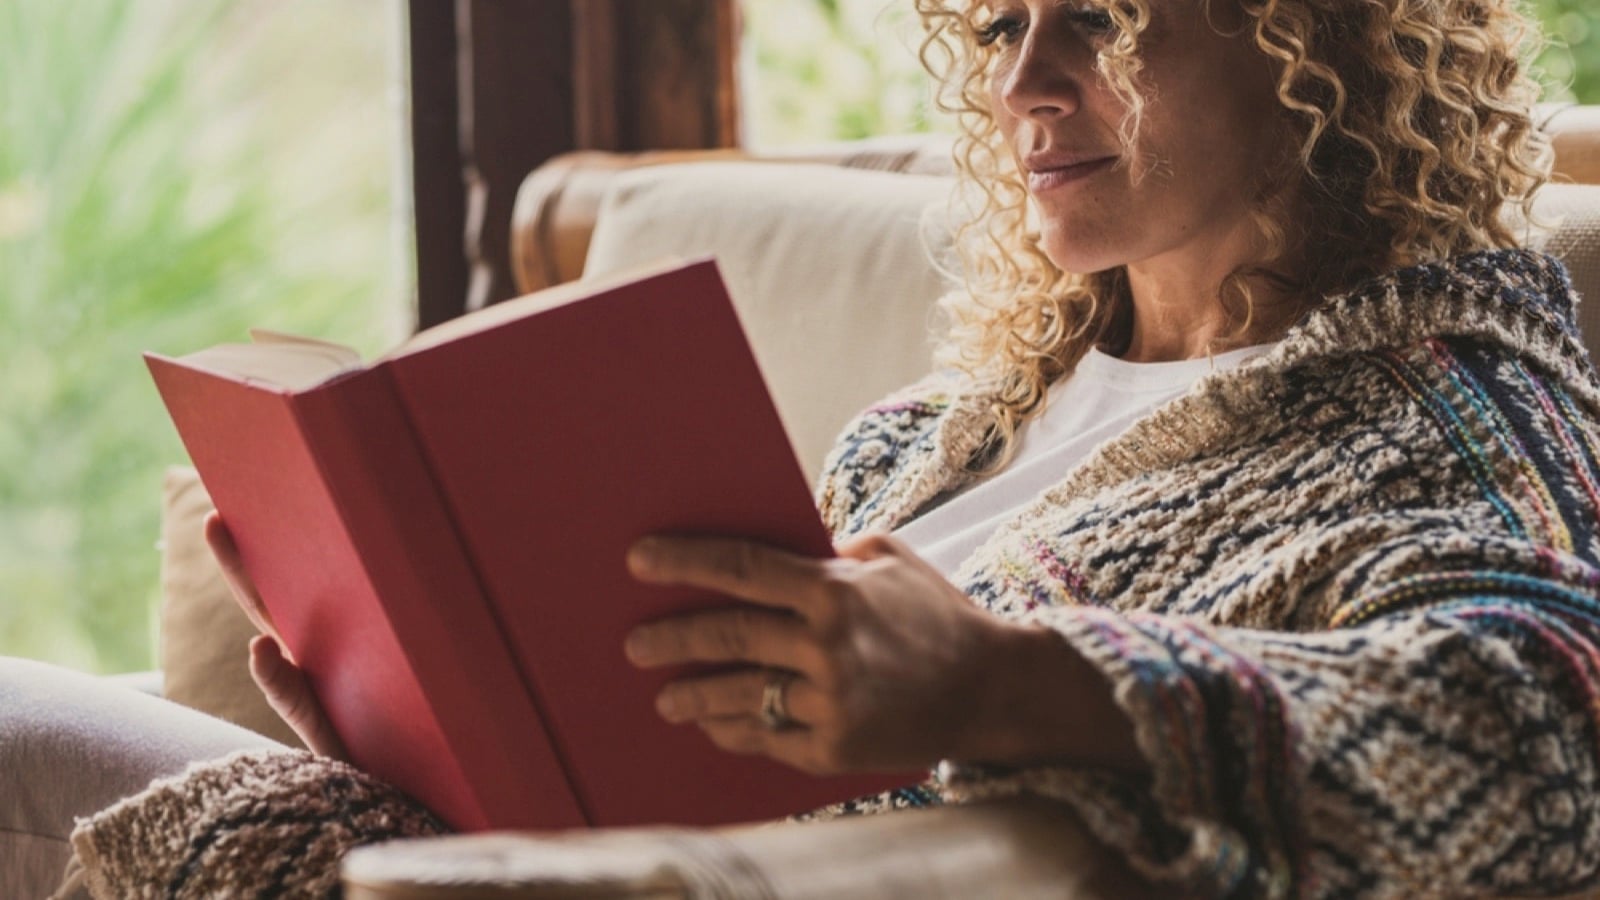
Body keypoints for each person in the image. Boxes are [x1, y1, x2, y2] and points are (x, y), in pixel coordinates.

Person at [8, 0, 1599, 895]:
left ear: (1320, 36)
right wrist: (412, 716)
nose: (1024, 87)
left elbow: (1539, 737)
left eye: (1101, 18)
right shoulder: (935, 435)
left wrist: (997, 682)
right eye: (996, 24)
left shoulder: (1451, 411)